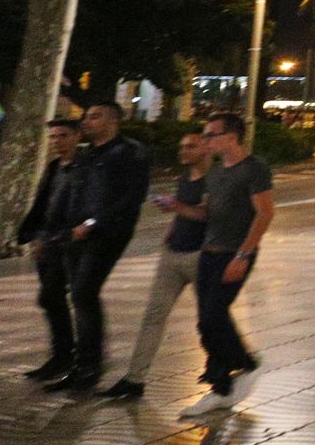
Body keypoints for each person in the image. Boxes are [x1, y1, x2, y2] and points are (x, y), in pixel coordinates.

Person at [38, 103, 150, 392]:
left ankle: (90, 367)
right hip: (76, 234)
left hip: (107, 234)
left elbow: (131, 197)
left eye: (94, 116)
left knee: (84, 292)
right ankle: (81, 365)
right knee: (79, 295)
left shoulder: (129, 152)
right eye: (87, 116)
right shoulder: (86, 155)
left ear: (112, 121)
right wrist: (57, 232)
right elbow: (73, 193)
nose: (87, 121)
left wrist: (93, 222)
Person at [178, 113, 275, 419]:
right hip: (208, 253)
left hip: (234, 254)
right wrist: (178, 207)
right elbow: (207, 213)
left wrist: (243, 256)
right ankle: (220, 387)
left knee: (212, 317)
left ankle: (246, 364)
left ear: (231, 136)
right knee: (207, 322)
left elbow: (264, 214)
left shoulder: (254, 169)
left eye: (211, 134)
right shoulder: (216, 172)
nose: (206, 140)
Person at [101, 132, 211, 400]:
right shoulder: (185, 177)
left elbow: (206, 213)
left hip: (201, 257)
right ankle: (134, 379)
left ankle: (227, 366)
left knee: (211, 320)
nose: (183, 151)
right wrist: (170, 230)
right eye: (182, 145)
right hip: (173, 255)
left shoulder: (215, 179)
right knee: (153, 316)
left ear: (206, 148)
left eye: (190, 146)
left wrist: (177, 207)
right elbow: (183, 211)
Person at [19, 119, 84, 383]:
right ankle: (63, 354)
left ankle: (67, 355)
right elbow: (43, 204)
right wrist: (36, 236)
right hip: (47, 239)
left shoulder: (86, 169)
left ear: (77, 137)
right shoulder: (55, 167)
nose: (57, 141)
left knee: (52, 296)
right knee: (51, 297)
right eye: (53, 137)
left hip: (68, 241)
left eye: (63, 136)